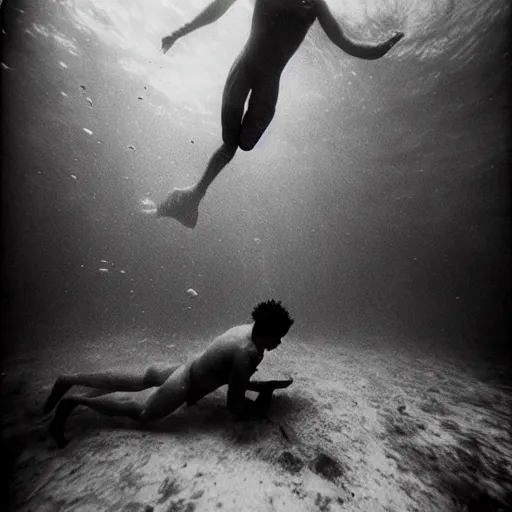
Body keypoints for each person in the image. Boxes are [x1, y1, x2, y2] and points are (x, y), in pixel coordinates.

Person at [147, 0, 404, 228]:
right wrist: (178, 33)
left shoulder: (315, 5)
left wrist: (385, 46)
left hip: (268, 83)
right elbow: (219, 8)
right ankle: (190, 197)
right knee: (230, 140)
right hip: (243, 70)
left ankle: (191, 195)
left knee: (244, 144)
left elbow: (346, 43)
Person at [44, 300, 295, 448]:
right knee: (143, 413)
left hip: (186, 368)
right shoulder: (247, 353)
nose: (280, 343)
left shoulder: (247, 330)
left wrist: (259, 387)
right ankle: (74, 402)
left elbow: (228, 374)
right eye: (279, 337)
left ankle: (70, 379)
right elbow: (234, 404)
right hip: (185, 384)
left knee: (144, 378)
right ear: (268, 330)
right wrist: (262, 415)